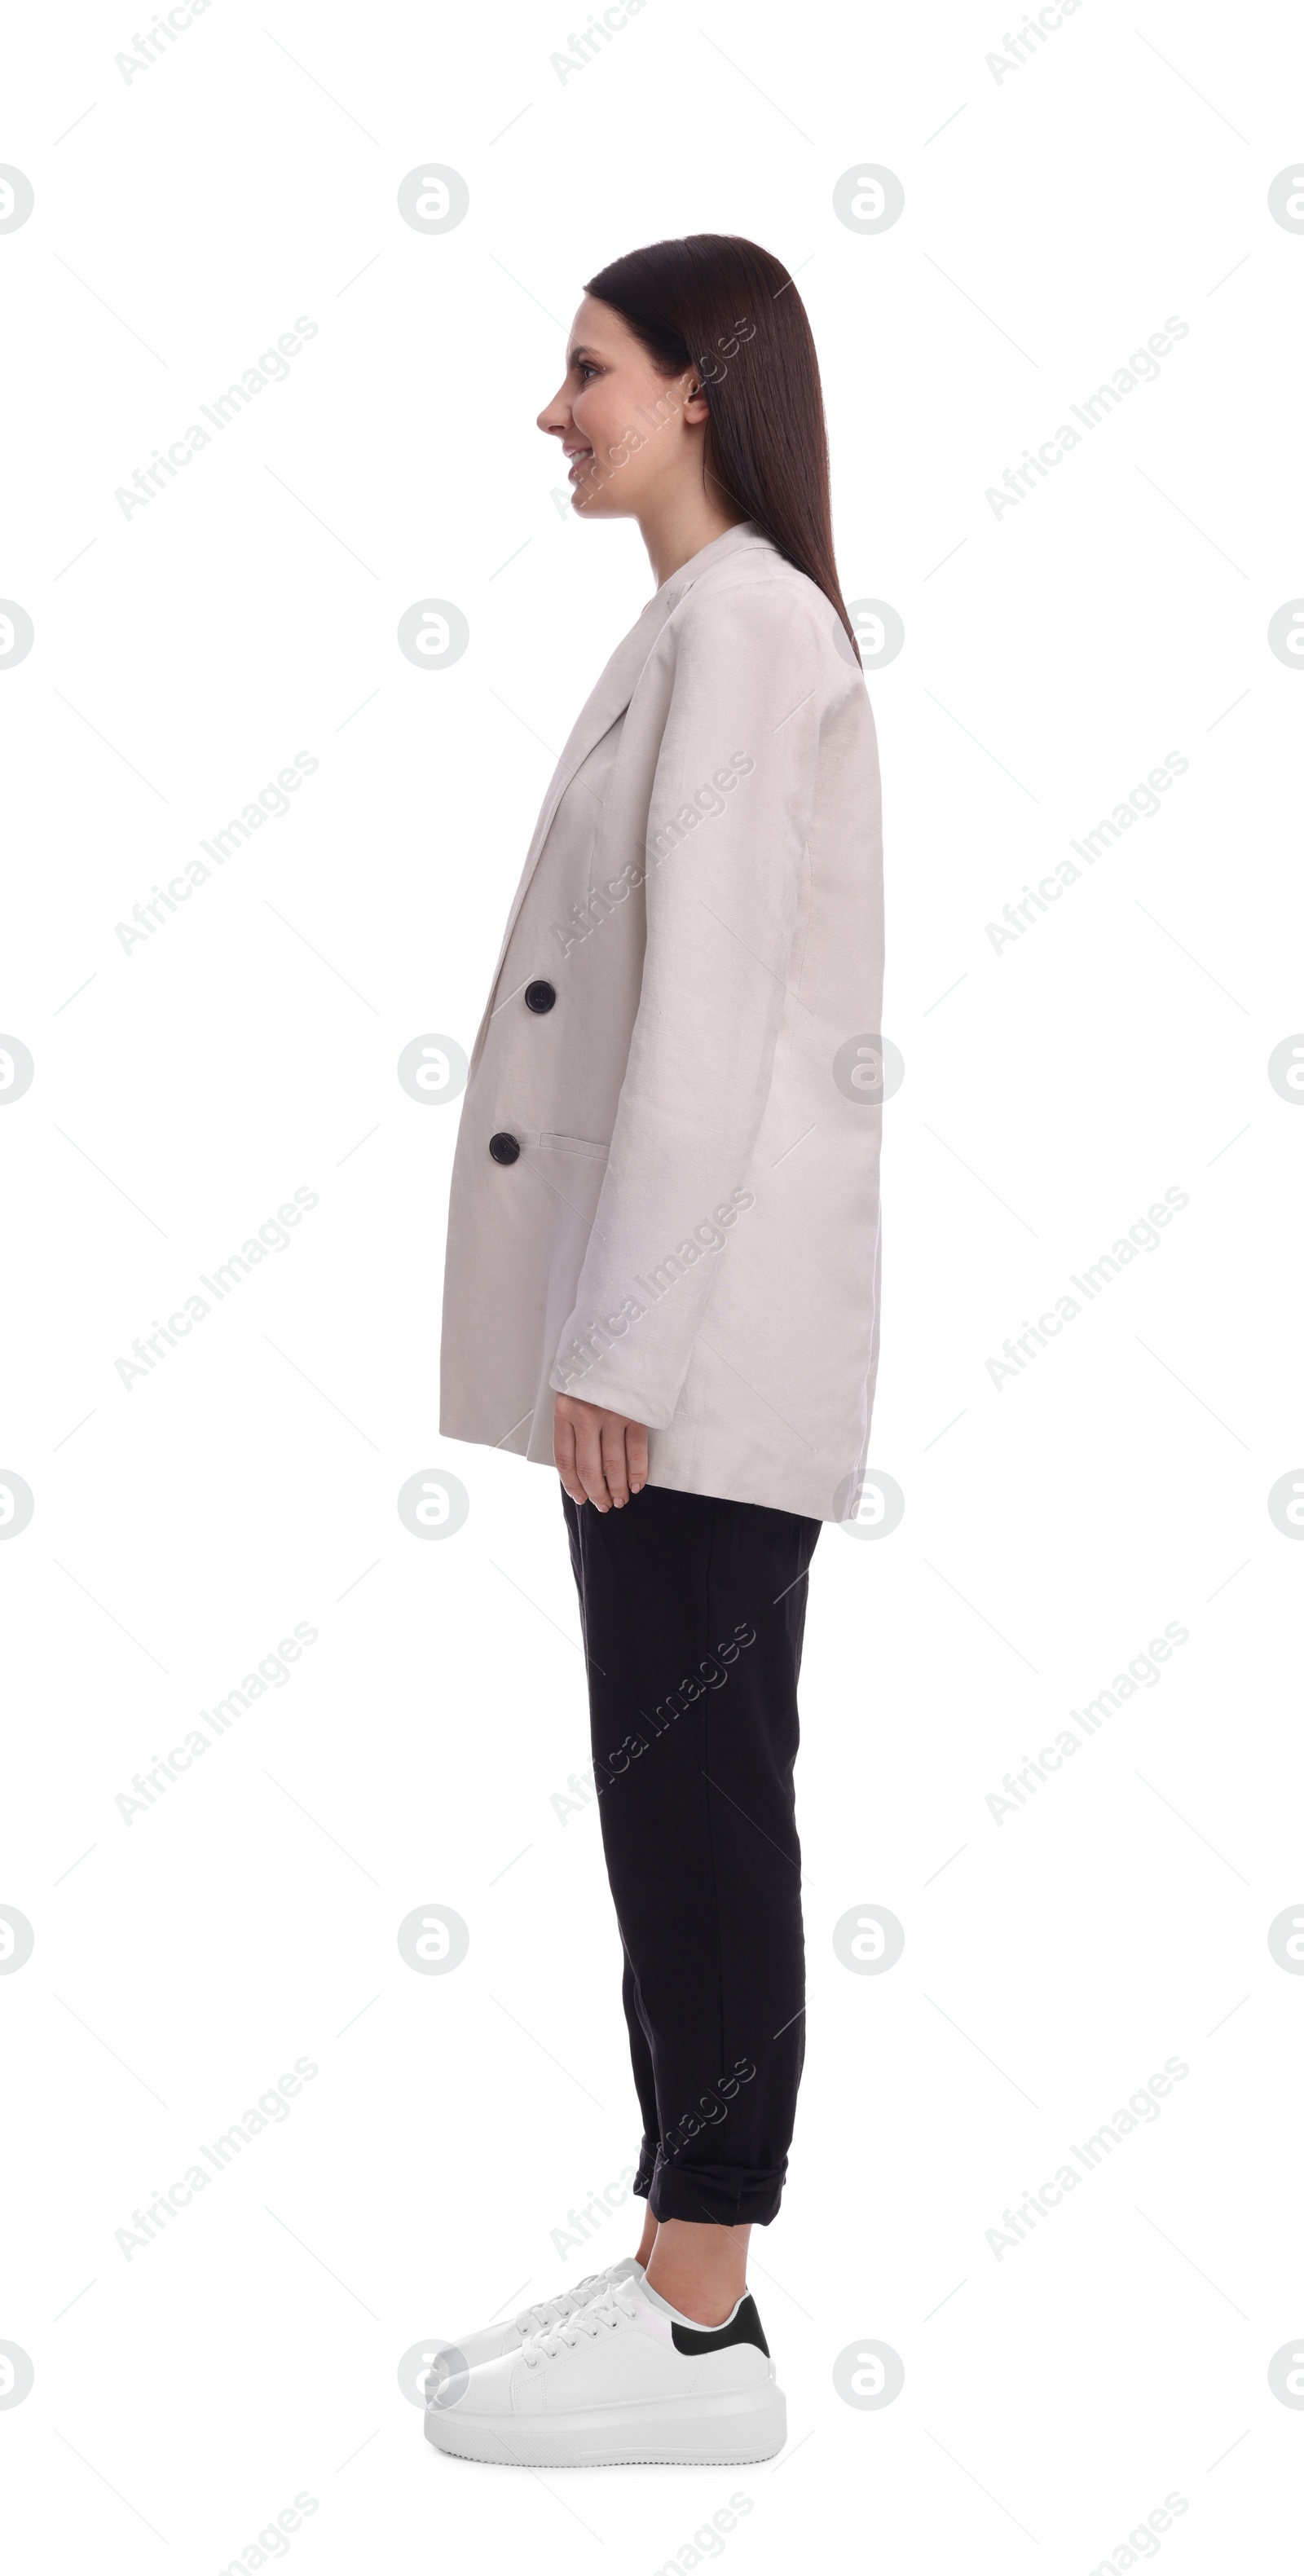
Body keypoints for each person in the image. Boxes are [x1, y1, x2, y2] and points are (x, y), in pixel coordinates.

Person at [430, 232, 884, 2468]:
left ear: (701, 385)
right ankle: (683, 2276)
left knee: (698, 1801)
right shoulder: (712, 627)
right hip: (680, 1344)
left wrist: (615, 1338)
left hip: (687, 1350)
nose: (557, 408)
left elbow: (704, 1016)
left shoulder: (748, 632)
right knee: (675, 1790)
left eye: (587, 368)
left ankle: (702, 2319)